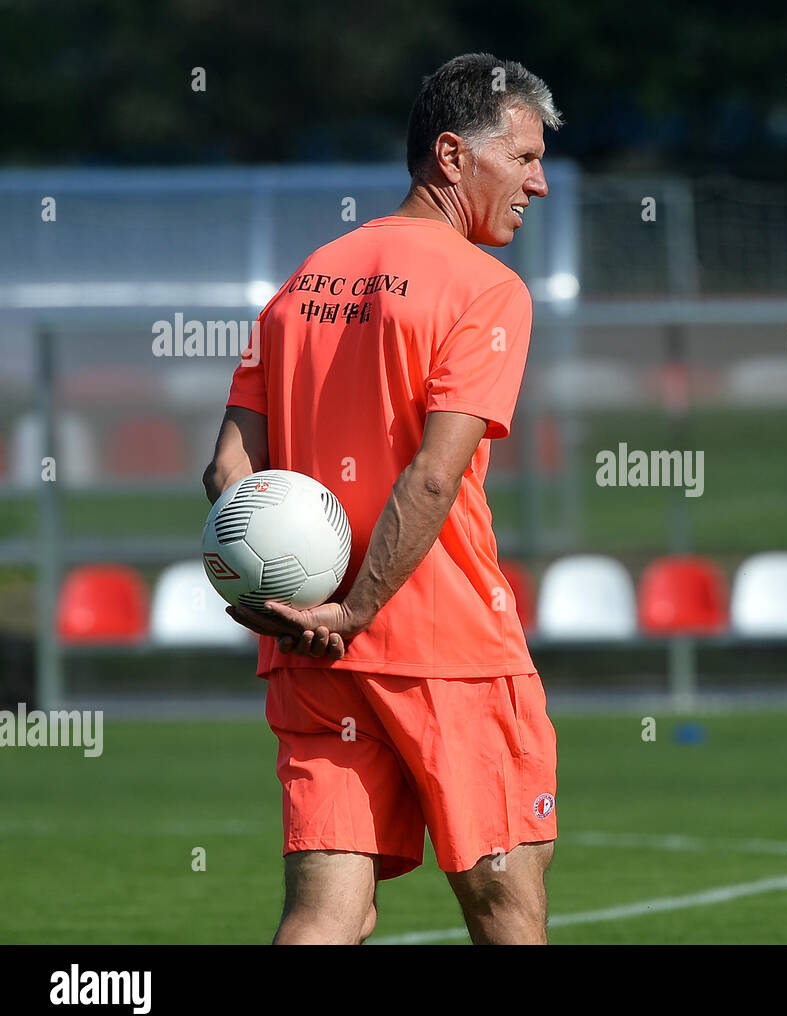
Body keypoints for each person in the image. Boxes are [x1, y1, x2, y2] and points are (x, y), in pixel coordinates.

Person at [201, 54, 562, 945]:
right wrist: (355, 610)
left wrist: (283, 607)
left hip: (314, 655)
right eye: (522, 158)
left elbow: (226, 475)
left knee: (326, 913)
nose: (541, 183)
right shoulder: (485, 290)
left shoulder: (303, 282)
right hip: (445, 645)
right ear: (452, 155)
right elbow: (433, 477)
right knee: (503, 906)